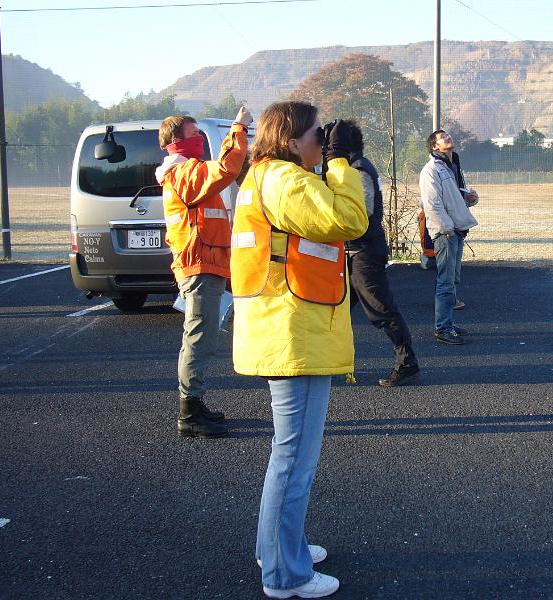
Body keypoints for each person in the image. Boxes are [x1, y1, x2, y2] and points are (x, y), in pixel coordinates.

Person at [230, 102, 367, 598]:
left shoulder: (265, 176)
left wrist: (329, 160)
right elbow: (349, 218)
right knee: (292, 460)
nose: (321, 142)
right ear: (291, 140)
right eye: (316, 135)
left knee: (288, 457)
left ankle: (281, 547)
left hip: (286, 327)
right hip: (294, 334)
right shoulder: (288, 181)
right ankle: (284, 574)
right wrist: (341, 162)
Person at [155, 107, 252, 438]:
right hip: (198, 265)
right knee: (199, 336)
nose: (199, 140)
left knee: (202, 334)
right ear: (175, 142)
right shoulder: (183, 173)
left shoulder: (185, 173)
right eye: (195, 135)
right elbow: (226, 167)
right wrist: (238, 128)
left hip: (205, 264)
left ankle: (194, 404)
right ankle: (189, 412)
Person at [343, 120, 420, 387]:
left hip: (363, 252)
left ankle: (407, 363)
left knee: (381, 310)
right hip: (355, 252)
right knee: (337, 311)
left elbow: (364, 213)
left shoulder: (358, 170)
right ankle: (336, 364)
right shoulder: (356, 167)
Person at [418, 129, 479, 345]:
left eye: (447, 135)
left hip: (457, 230)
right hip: (446, 233)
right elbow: (432, 204)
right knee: (445, 281)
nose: (448, 137)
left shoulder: (453, 166)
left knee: (452, 279)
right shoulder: (431, 170)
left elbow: (456, 198)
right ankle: (443, 328)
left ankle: (448, 323)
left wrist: (471, 198)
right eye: (442, 137)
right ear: (434, 146)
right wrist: (447, 229)